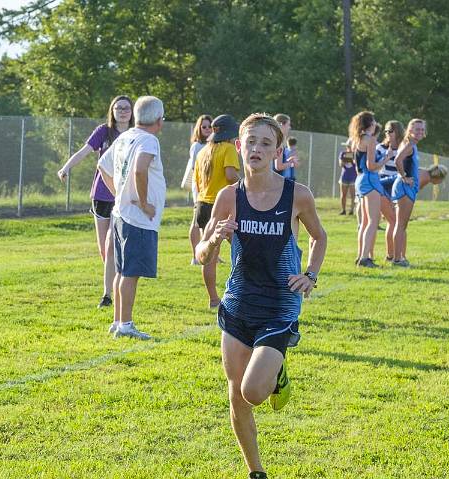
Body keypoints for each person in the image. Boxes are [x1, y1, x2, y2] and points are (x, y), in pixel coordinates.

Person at [196, 113, 326, 479]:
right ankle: (256, 472)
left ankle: (277, 373)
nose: (256, 149)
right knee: (236, 396)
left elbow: (319, 237)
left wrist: (310, 275)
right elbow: (201, 254)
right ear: (239, 147)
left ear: (277, 151)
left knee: (254, 391)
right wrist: (215, 238)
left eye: (265, 144)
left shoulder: (297, 195)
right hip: (237, 304)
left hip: (279, 306)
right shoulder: (228, 197)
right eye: (250, 142)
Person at [97, 96, 166, 340]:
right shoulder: (149, 140)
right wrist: (145, 203)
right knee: (130, 273)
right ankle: (125, 324)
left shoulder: (126, 136)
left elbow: (103, 166)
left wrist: (119, 194)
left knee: (122, 271)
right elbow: (139, 169)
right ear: (159, 120)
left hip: (120, 213)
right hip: (136, 218)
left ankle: (118, 321)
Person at [57, 95, 134, 308]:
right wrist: (65, 168)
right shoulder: (103, 131)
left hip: (123, 195)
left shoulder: (137, 134)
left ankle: (108, 295)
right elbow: (84, 152)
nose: (122, 111)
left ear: (132, 112)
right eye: (118, 108)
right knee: (104, 248)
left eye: (126, 108)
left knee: (111, 245)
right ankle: (115, 280)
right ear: (112, 110)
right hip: (101, 195)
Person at [193, 114, 241, 308]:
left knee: (210, 255)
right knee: (243, 250)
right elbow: (230, 175)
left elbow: (196, 181)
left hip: (202, 205)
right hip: (221, 206)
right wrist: (247, 185)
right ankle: (243, 292)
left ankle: (213, 299)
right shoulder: (228, 148)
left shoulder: (203, 151)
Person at [350, 111, 386, 268]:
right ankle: (365, 258)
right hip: (370, 180)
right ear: (370, 124)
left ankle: (360, 256)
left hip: (360, 180)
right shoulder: (370, 140)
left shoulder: (356, 139)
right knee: (373, 220)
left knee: (364, 222)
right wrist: (386, 158)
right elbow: (371, 166)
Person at [390, 118, 426, 267]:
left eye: (422, 129)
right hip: (404, 187)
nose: (420, 132)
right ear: (410, 131)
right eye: (417, 129)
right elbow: (397, 160)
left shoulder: (411, 145)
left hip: (407, 187)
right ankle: (397, 259)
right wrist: (404, 176)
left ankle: (401, 257)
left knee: (402, 225)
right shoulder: (409, 144)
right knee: (400, 224)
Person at [182, 114, 213, 265]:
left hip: (211, 189)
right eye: (204, 126)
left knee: (208, 223)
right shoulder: (197, 146)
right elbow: (196, 169)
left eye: (209, 126)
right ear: (199, 129)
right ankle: (195, 255)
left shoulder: (214, 144)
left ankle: (209, 254)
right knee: (196, 222)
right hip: (200, 189)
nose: (207, 129)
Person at [377, 120, 404, 262]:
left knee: (397, 222)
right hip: (382, 186)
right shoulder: (380, 148)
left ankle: (396, 255)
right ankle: (390, 255)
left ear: (398, 132)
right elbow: (374, 166)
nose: (387, 134)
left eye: (390, 131)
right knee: (392, 221)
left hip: (398, 187)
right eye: (386, 131)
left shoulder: (403, 149)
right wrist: (386, 156)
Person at [273, 114, 299, 181]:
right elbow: (278, 166)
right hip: (276, 182)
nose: (289, 127)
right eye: (288, 124)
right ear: (281, 124)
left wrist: (288, 161)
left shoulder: (275, 139)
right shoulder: (279, 141)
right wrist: (291, 163)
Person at [338, 140, 357, 215]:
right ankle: (343, 210)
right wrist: (345, 160)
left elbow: (357, 164)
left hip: (353, 177)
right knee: (343, 195)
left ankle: (352, 210)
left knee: (353, 195)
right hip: (344, 176)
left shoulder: (355, 154)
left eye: (350, 146)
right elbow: (341, 164)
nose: (348, 147)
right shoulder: (343, 154)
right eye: (348, 146)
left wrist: (353, 160)